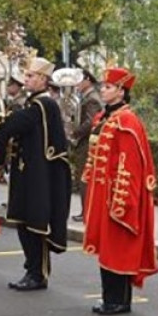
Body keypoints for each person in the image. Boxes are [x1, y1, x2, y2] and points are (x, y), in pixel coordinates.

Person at [0, 57, 71, 291]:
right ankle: (31, 269)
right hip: (28, 173)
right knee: (24, 222)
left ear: (43, 79)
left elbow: (16, 124)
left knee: (36, 223)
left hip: (41, 176)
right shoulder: (33, 104)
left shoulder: (44, 105)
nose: (26, 80)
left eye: (31, 76)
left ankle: (38, 273)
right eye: (26, 76)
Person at [81, 67, 158, 314]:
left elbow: (130, 164)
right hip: (102, 193)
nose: (103, 89)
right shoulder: (104, 118)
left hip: (117, 195)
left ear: (122, 92)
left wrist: (122, 200)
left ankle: (118, 300)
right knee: (107, 247)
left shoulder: (127, 121)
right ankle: (111, 297)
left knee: (118, 248)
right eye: (103, 86)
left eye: (108, 87)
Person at [71, 68, 104, 222]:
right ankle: (86, 211)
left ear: (87, 80)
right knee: (82, 176)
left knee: (84, 177)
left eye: (79, 80)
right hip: (84, 142)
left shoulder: (92, 98)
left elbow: (90, 122)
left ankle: (87, 212)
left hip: (86, 143)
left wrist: (74, 133)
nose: (76, 83)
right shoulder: (86, 97)